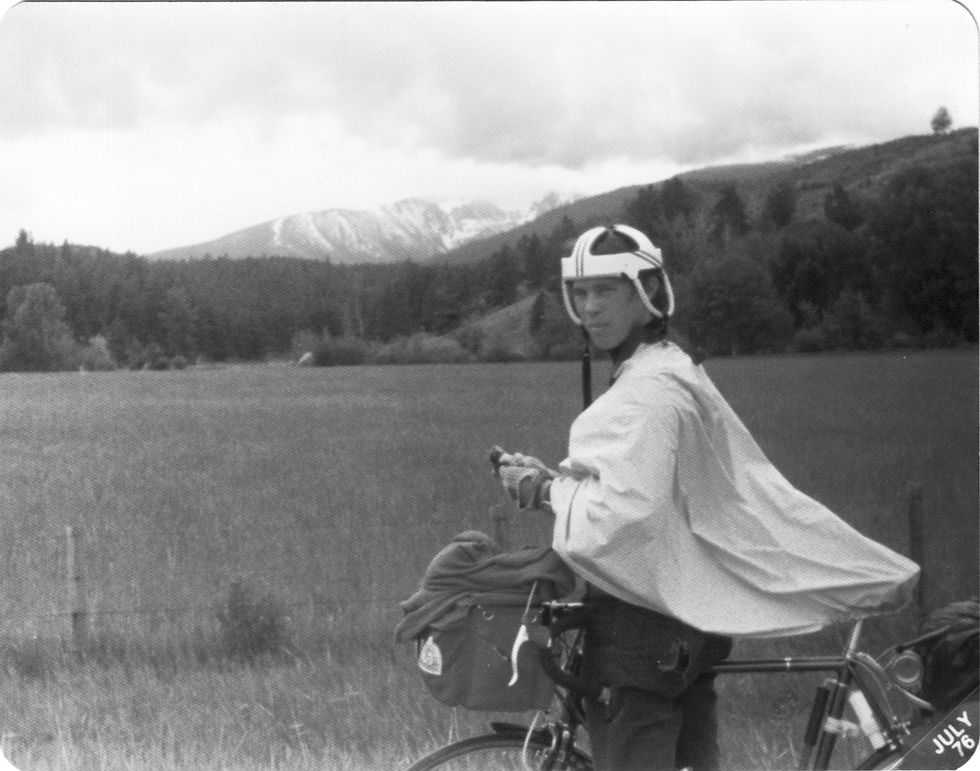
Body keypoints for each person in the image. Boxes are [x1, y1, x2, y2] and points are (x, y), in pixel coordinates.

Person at [495, 224, 920, 771]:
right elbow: (653, 488)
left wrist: (543, 490)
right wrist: (555, 484)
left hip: (641, 626)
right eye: (580, 293)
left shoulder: (644, 393)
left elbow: (624, 516)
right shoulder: (674, 369)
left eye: (606, 290)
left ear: (646, 291)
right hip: (688, 623)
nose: (591, 307)